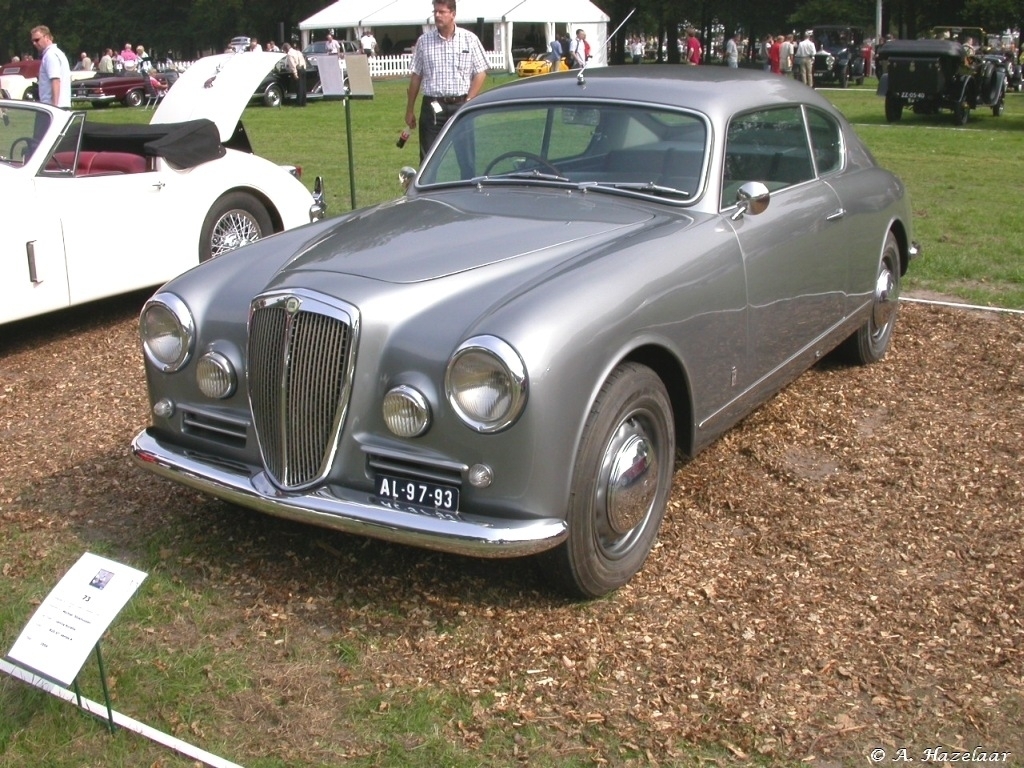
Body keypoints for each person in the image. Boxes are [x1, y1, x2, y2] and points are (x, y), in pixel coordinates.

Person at [404, 0, 488, 161]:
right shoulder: (424, 41)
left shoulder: (469, 39)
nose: (437, 15)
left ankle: (466, 187)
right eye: (435, 11)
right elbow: (416, 77)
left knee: (467, 159)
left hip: (461, 105)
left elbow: (481, 72)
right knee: (428, 161)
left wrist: (469, 100)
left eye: (441, 12)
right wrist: (409, 110)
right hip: (432, 107)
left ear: (453, 14)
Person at [31, 26, 70, 108]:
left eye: (37, 40)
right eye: (33, 41)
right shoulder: (57, 53)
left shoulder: (50, 55)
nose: (34, 43)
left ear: (47, 37)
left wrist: (54, 108)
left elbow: (55, 80)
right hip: (60, 105)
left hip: (53, 106)